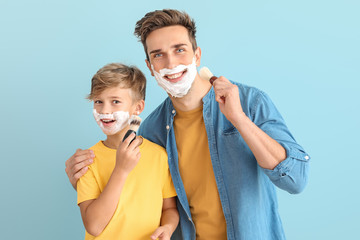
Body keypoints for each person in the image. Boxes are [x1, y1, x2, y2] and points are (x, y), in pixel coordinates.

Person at [66, 9, 310, 240]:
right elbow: (138, 197)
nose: (170, 63)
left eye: (179, 50)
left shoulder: (250, 102)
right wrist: (83, 175)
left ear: (197, 55)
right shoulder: (152, 130)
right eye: (158, 55)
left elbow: (296, 180)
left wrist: (238, 118)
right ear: (150, 67)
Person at [75, 63, 179, 240]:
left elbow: (169, 209)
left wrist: (168, 228)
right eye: (98, 101)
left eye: (115, 101)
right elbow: (94, 226)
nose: (105, 110)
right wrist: (121, 170)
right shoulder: (87, 160)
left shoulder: (159, 156)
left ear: (138, 108)